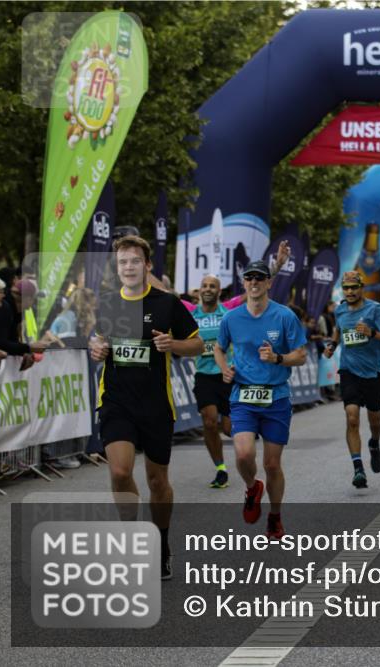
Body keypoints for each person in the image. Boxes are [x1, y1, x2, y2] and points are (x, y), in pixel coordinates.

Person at [89, 235, 203, 580]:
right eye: (122, 262)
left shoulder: (167, 303)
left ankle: (162, 543)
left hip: (155, 405)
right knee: (121, 472)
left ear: (147, 265)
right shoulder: (106, 303)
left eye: (134, 261)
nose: (128, 267)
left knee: (157, 481)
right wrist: (97, 348)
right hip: (116, 401)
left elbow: (198, 344)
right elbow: (98, 341)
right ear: (117, 267)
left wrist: (174, 344)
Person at [214, 260, 307, 538]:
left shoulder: (284, 316)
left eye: (260, 278)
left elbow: (300, 355)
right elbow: (219, 349)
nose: (254, 282)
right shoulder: (231, 318)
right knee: (243, 454)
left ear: (268, 283)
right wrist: (224, 369)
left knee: (272, 465)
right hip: (243, 395)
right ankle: (252, 487)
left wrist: (278, 358)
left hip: (276, 398)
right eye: (249, 278)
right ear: (244, 284)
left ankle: (275, 517)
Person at [323, 271, 380, 489]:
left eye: (353, 287)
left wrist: (373, 333)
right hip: (349, 372)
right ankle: (358, 468)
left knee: (374, 421)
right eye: (346, 288)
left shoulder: (375, 310)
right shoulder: (339, 310)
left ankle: (374, 444)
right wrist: (332, 345)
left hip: (373, 374)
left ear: (361, 288)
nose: (349, 291)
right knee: (352, 417)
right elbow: (339, 332)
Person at [191, 274, 234, 489]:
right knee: (209, 421)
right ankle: (220, 468)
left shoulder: (227, 314)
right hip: (204, 376)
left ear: (219, 291)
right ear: (199, 290)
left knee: (228, 429)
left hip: (227, 375)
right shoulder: (192, 314)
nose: (207, 289)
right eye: (204, 285)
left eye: (212, 286)